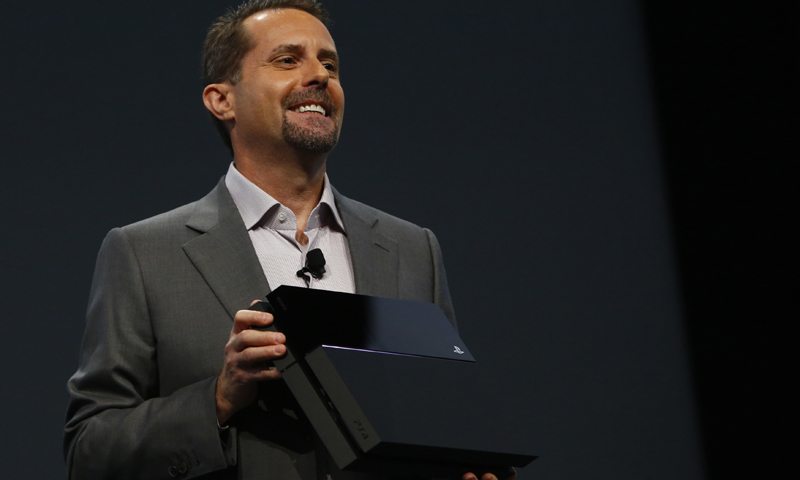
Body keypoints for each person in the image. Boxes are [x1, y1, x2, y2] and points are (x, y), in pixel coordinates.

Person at [64, 1, 506, 479]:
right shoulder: (145, 254)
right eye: (287, 60)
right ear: (221, 100)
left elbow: (445, 425)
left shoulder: (412, 248)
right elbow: (90, 451)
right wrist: (219, 397)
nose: (319, 76)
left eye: (329, 64)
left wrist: (469, 465)